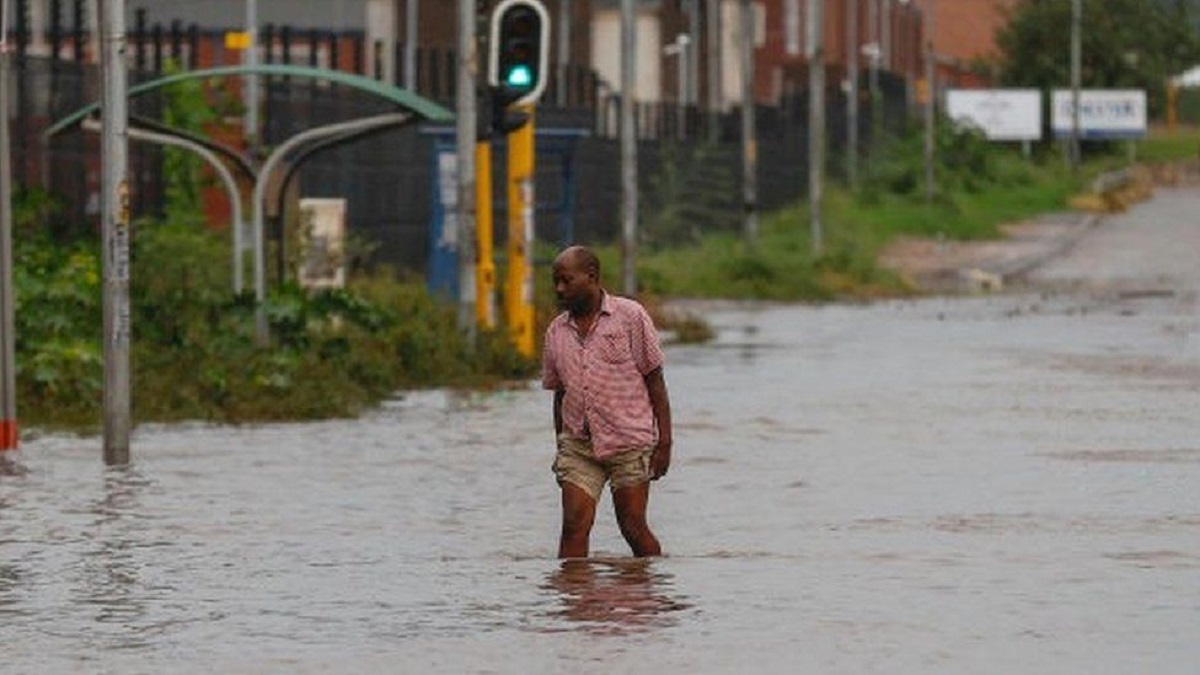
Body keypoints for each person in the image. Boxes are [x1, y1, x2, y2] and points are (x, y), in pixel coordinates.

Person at [541, 245, 673, 558]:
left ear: (592, 277)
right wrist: (561, 446)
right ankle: (574, 601)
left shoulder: (631, 317)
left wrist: (664, 442)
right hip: (579, 446)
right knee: (573, 525)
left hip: (629, 441)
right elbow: (560, 393)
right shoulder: (556, 332)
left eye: (567, 281)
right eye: (556, 282)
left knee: (632, 526)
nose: (560, 289)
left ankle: (651, 592)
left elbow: (655, 381)